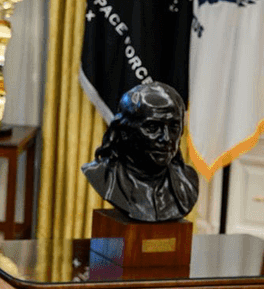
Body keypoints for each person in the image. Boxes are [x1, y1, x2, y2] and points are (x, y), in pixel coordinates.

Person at [81, 81, 199, 222]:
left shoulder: (187, 182)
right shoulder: (101, 175)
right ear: (124, 131)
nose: (166, 138)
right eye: (152, 127)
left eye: (174, 127)